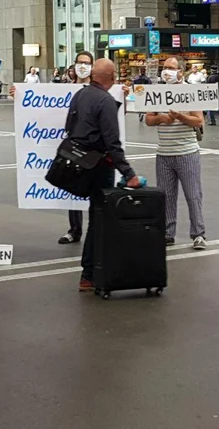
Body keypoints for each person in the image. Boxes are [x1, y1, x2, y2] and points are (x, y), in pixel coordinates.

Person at [69, 58, 141, 291]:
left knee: (95, 216)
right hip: (100, 166)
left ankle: (91, 271)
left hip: (81, 163)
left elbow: (69, 127)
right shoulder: (106, 101)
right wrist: (128, 173)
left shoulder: (80, 95)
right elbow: (113, 143)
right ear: (110, 77)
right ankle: (89, 273)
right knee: (99, 220)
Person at [145, 57, 207, 249]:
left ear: (181, 71)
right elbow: (149, 119)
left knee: (193, 194)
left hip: (187, 152)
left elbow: (199, 121)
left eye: (171, 68)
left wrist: (180, 116)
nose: (166, 71)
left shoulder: (191, 91)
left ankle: (198, 234)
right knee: (166, 195)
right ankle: (167, 232)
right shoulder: (157, 93)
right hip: (163, 153)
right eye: (165, 68)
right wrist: (162, 118)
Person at [59, 51, 94, 246]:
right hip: (73, 145)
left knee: (94, 190)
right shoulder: (64, 89)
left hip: (93, 146)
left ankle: (96, 229)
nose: (83, 66)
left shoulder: (99, 88)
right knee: (73, 189)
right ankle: (75, 229)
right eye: (80, 63)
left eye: (87, 63)